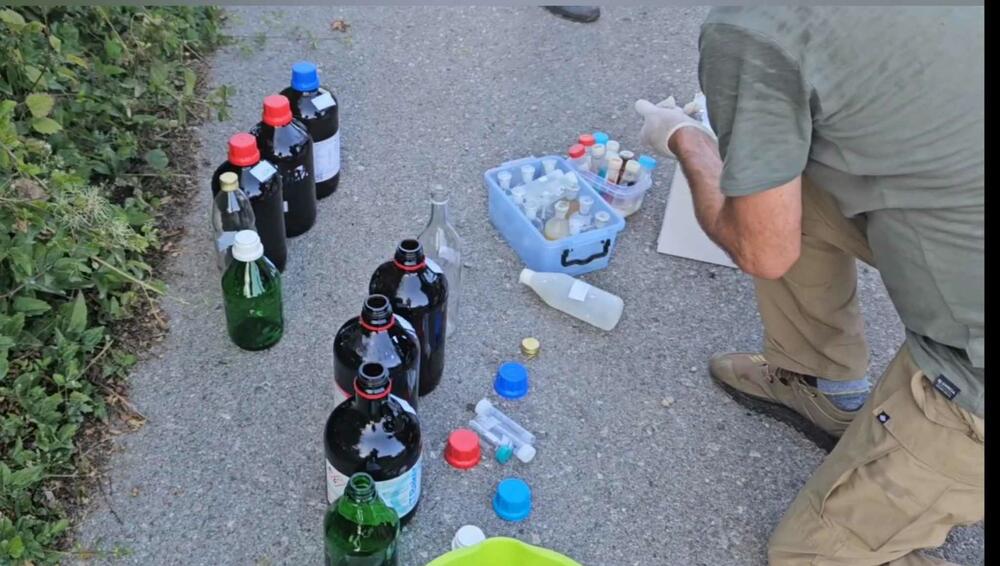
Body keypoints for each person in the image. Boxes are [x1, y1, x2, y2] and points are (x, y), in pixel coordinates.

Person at [634, 7, 983, 566]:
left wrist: (687, 140)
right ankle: (820, 382)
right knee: (788, 184)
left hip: (973, 367)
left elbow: (761, 251)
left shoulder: (754, 27)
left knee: (808, 556)